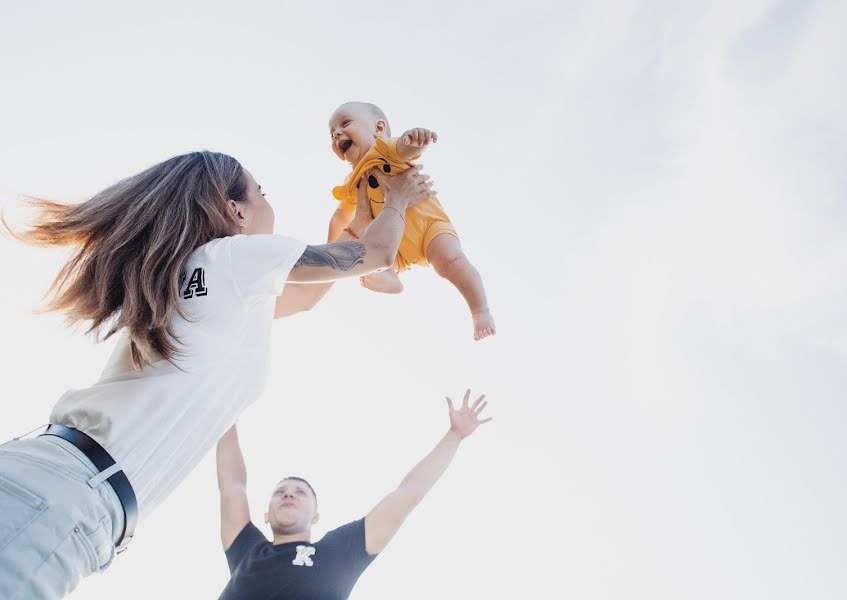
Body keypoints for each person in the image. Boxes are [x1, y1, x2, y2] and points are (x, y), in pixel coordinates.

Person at [0, 150, 433, 600]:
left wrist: (362, 211)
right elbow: (377, 254)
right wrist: (397, 198)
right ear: (235, 211)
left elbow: (305, 297)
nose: (269, 203)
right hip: (68, 497)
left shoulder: (198, 270)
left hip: (53, 480)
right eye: (260, 193)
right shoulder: (235, 257)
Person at [216, 390, 492, 599]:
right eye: (280, 492)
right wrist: (225, 409)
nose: (289, 495)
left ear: (316, 516)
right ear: (266, 514)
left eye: (300, 492)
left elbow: (407, 494)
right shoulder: (247, 549)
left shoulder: (337, 553)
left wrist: (454, 436)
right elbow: (232, 482)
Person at [328, 101, 496, 341]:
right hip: (394, 245)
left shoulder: (384, 149)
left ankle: (480, 310)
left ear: (378, 128)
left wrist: (413, 140)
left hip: (430, 228)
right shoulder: (353, 181)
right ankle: (389, 277)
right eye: (331, 134)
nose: (336, 134)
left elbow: (404, 150)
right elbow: (341, 217)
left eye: (345, 124)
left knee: (451, 260)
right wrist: (329, 250)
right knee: (371, 251)